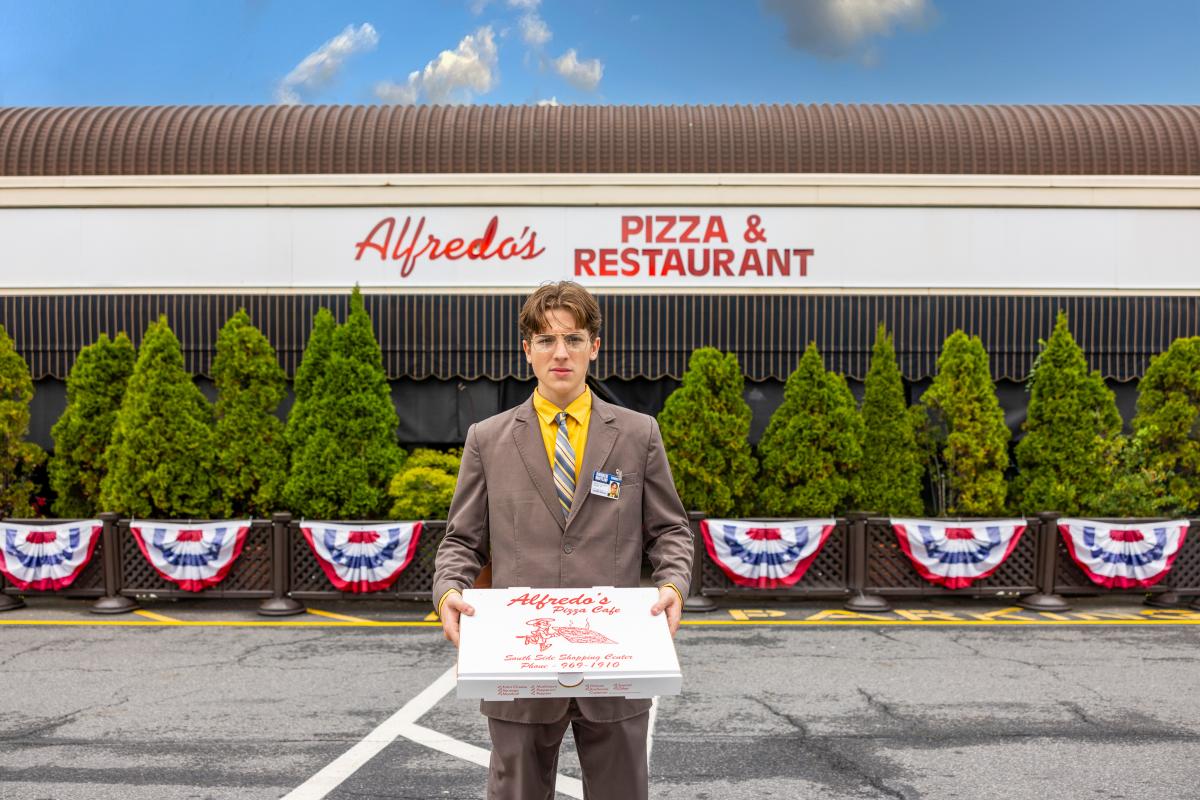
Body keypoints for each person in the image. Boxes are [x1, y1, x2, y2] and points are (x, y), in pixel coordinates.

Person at [432, 280, 693, 800]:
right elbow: (461, 540)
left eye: (573, 339)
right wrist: (448, 591)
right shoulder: (487, 440)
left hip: (616, 661)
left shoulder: (639, 433)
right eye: (546, 340)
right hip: (517, 663)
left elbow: (670, 530)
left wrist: (673, 584)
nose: (561, 353)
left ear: (594, 347)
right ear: (526, 349)